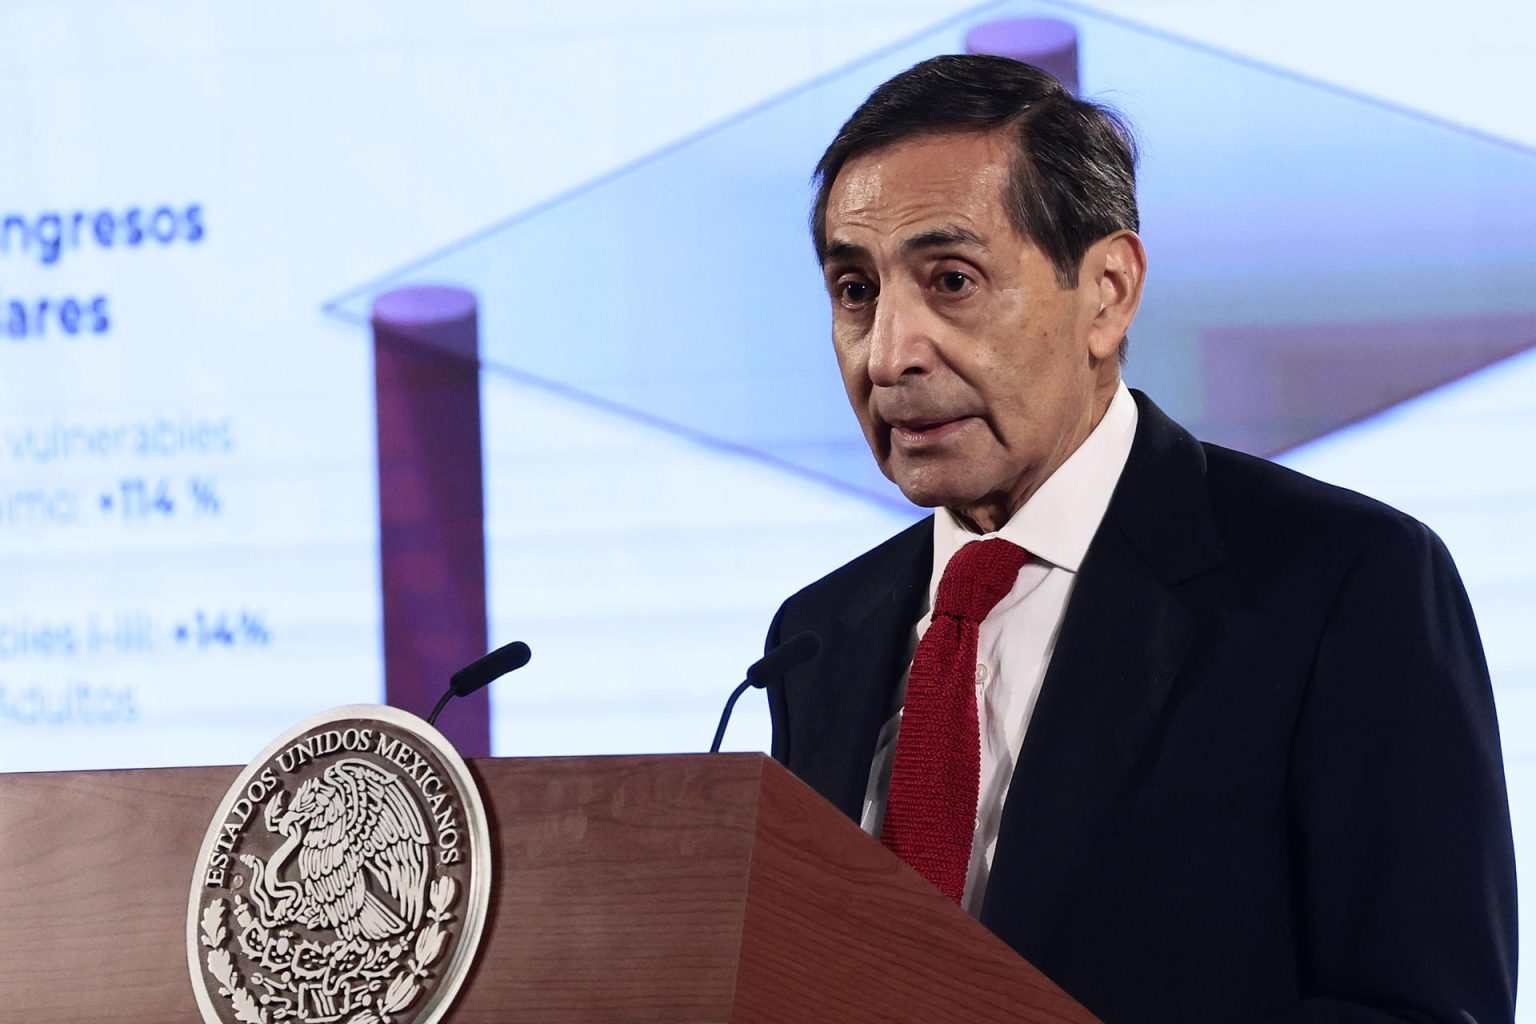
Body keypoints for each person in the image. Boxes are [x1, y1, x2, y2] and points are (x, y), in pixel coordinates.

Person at [761, 54, 1516, 1022]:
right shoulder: (819, 635)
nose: (890, 352)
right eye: (856, 291)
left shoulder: (1343, 584)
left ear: (1108, 291)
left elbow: (1421, 1007)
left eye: (951, 280)